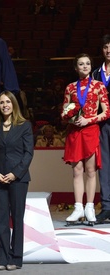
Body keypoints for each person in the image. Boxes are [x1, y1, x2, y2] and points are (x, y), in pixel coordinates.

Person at [0, 91, 34, 271]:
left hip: (18, 179)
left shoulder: (24, 126)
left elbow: (28, 153)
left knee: (17, 219)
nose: (5, 105)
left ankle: (16, 257)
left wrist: (15, 174)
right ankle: (3, 257)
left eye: (8, 102)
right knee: (3, 220)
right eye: (1, 102)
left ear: (13, 104)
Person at [61, 53, 110, 225]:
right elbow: (64, 112)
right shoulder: (70, 88)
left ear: (91, 66)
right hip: (75, 132)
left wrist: (89, 120)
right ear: (76, 68)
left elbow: (106, 112)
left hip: (90, 131)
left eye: (87, 64)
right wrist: (71, 118)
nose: (85, 66)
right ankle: (78, 207)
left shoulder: (99, 86)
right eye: (81, 64)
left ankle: (90, 207)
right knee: (77, 171)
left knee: (90, 171)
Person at [93, 34, 110, 223]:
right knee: (103, 166)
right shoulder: (96, 74)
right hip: (102, 124)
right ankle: (106, 207)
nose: (108, 50)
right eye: (106, 47)